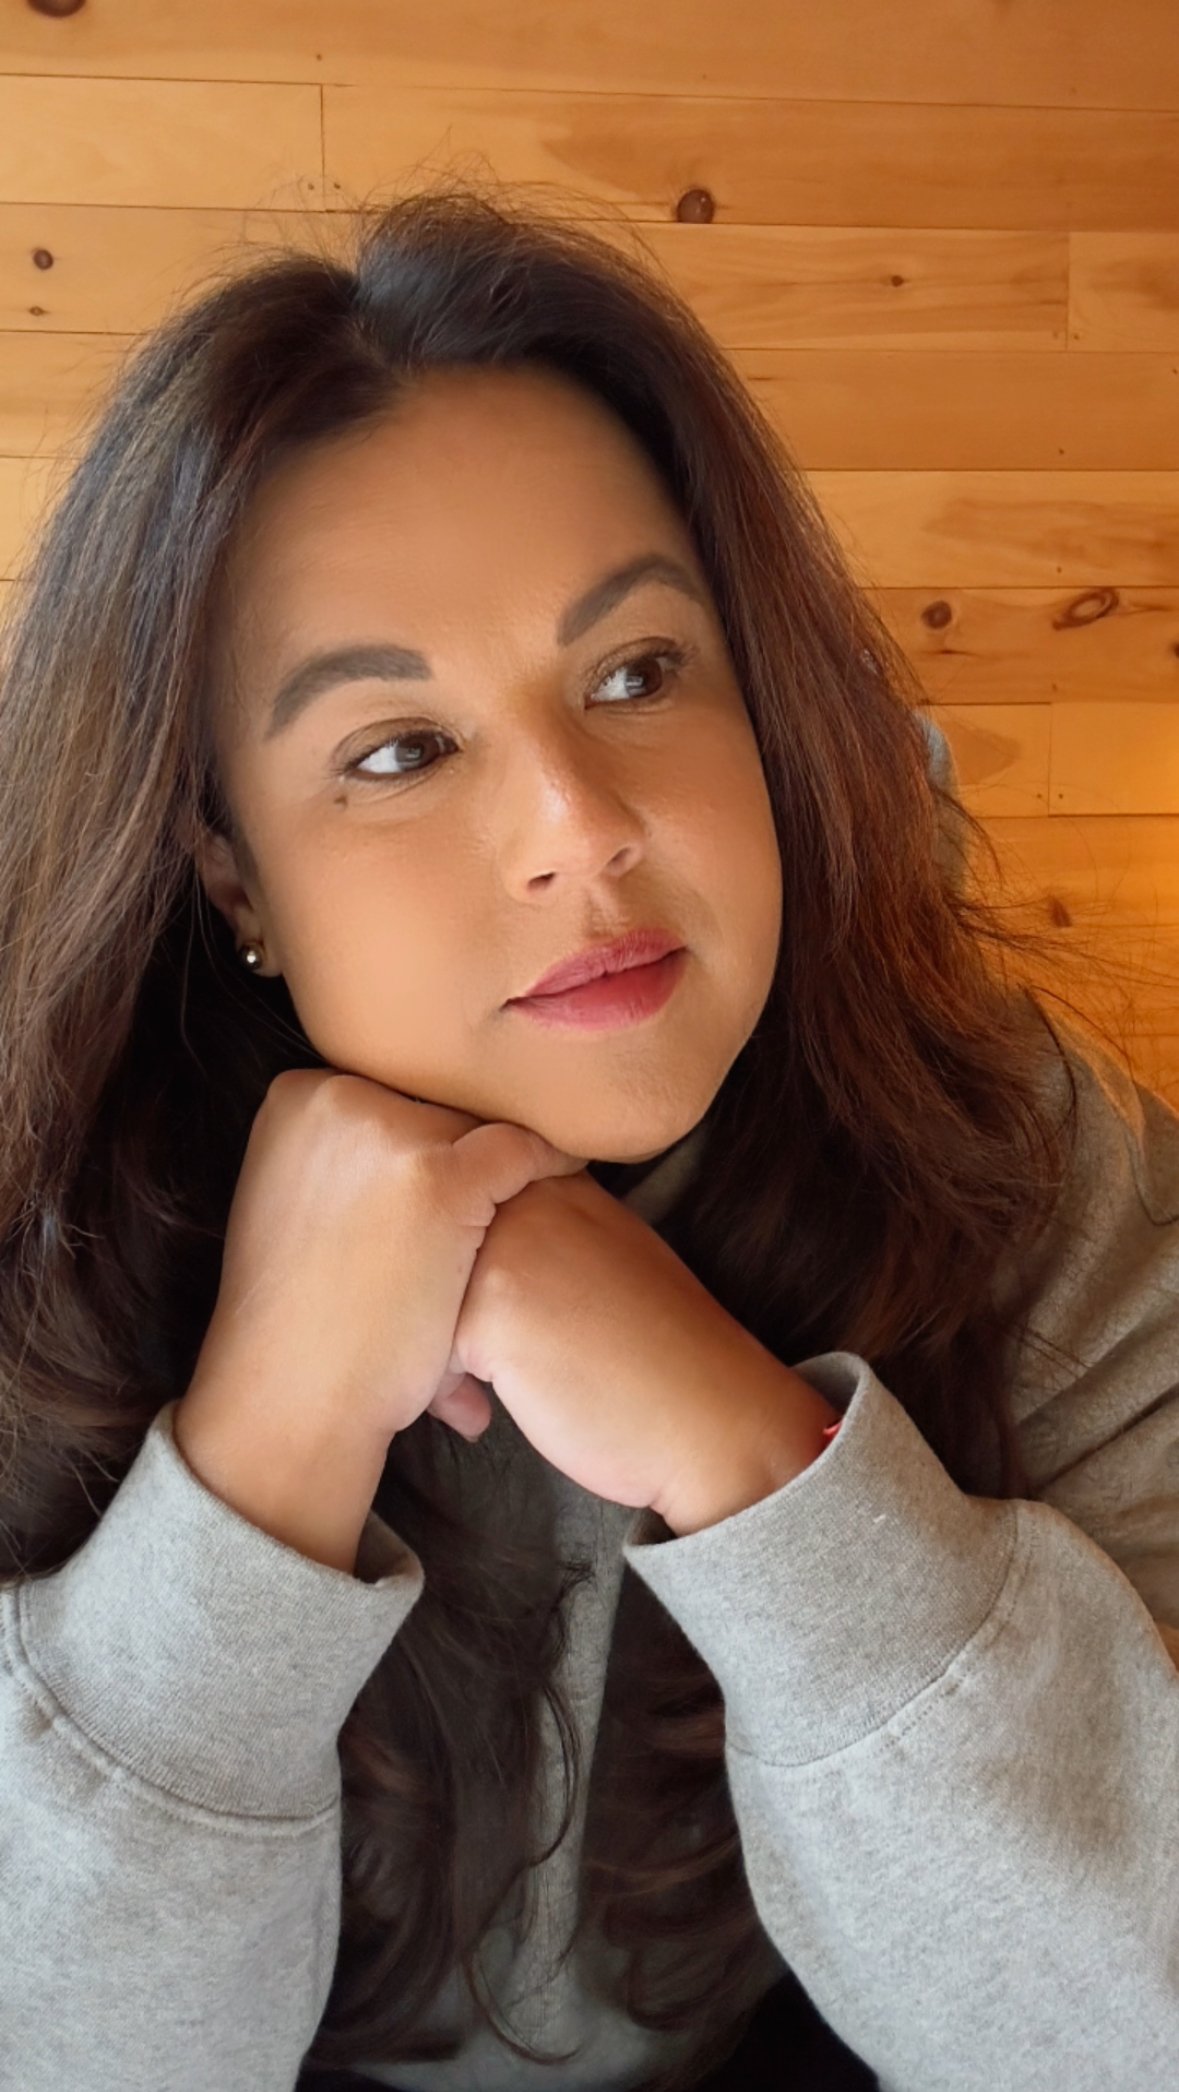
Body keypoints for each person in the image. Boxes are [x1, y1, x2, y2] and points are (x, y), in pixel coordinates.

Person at [0, 178, 1174, 2092]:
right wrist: (261, 1459)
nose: (578, 821)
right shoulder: (32, 1229)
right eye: (398, 750)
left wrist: (753, 1457)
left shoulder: (1038, 1181)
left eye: (636, 675)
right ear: (229, 867)